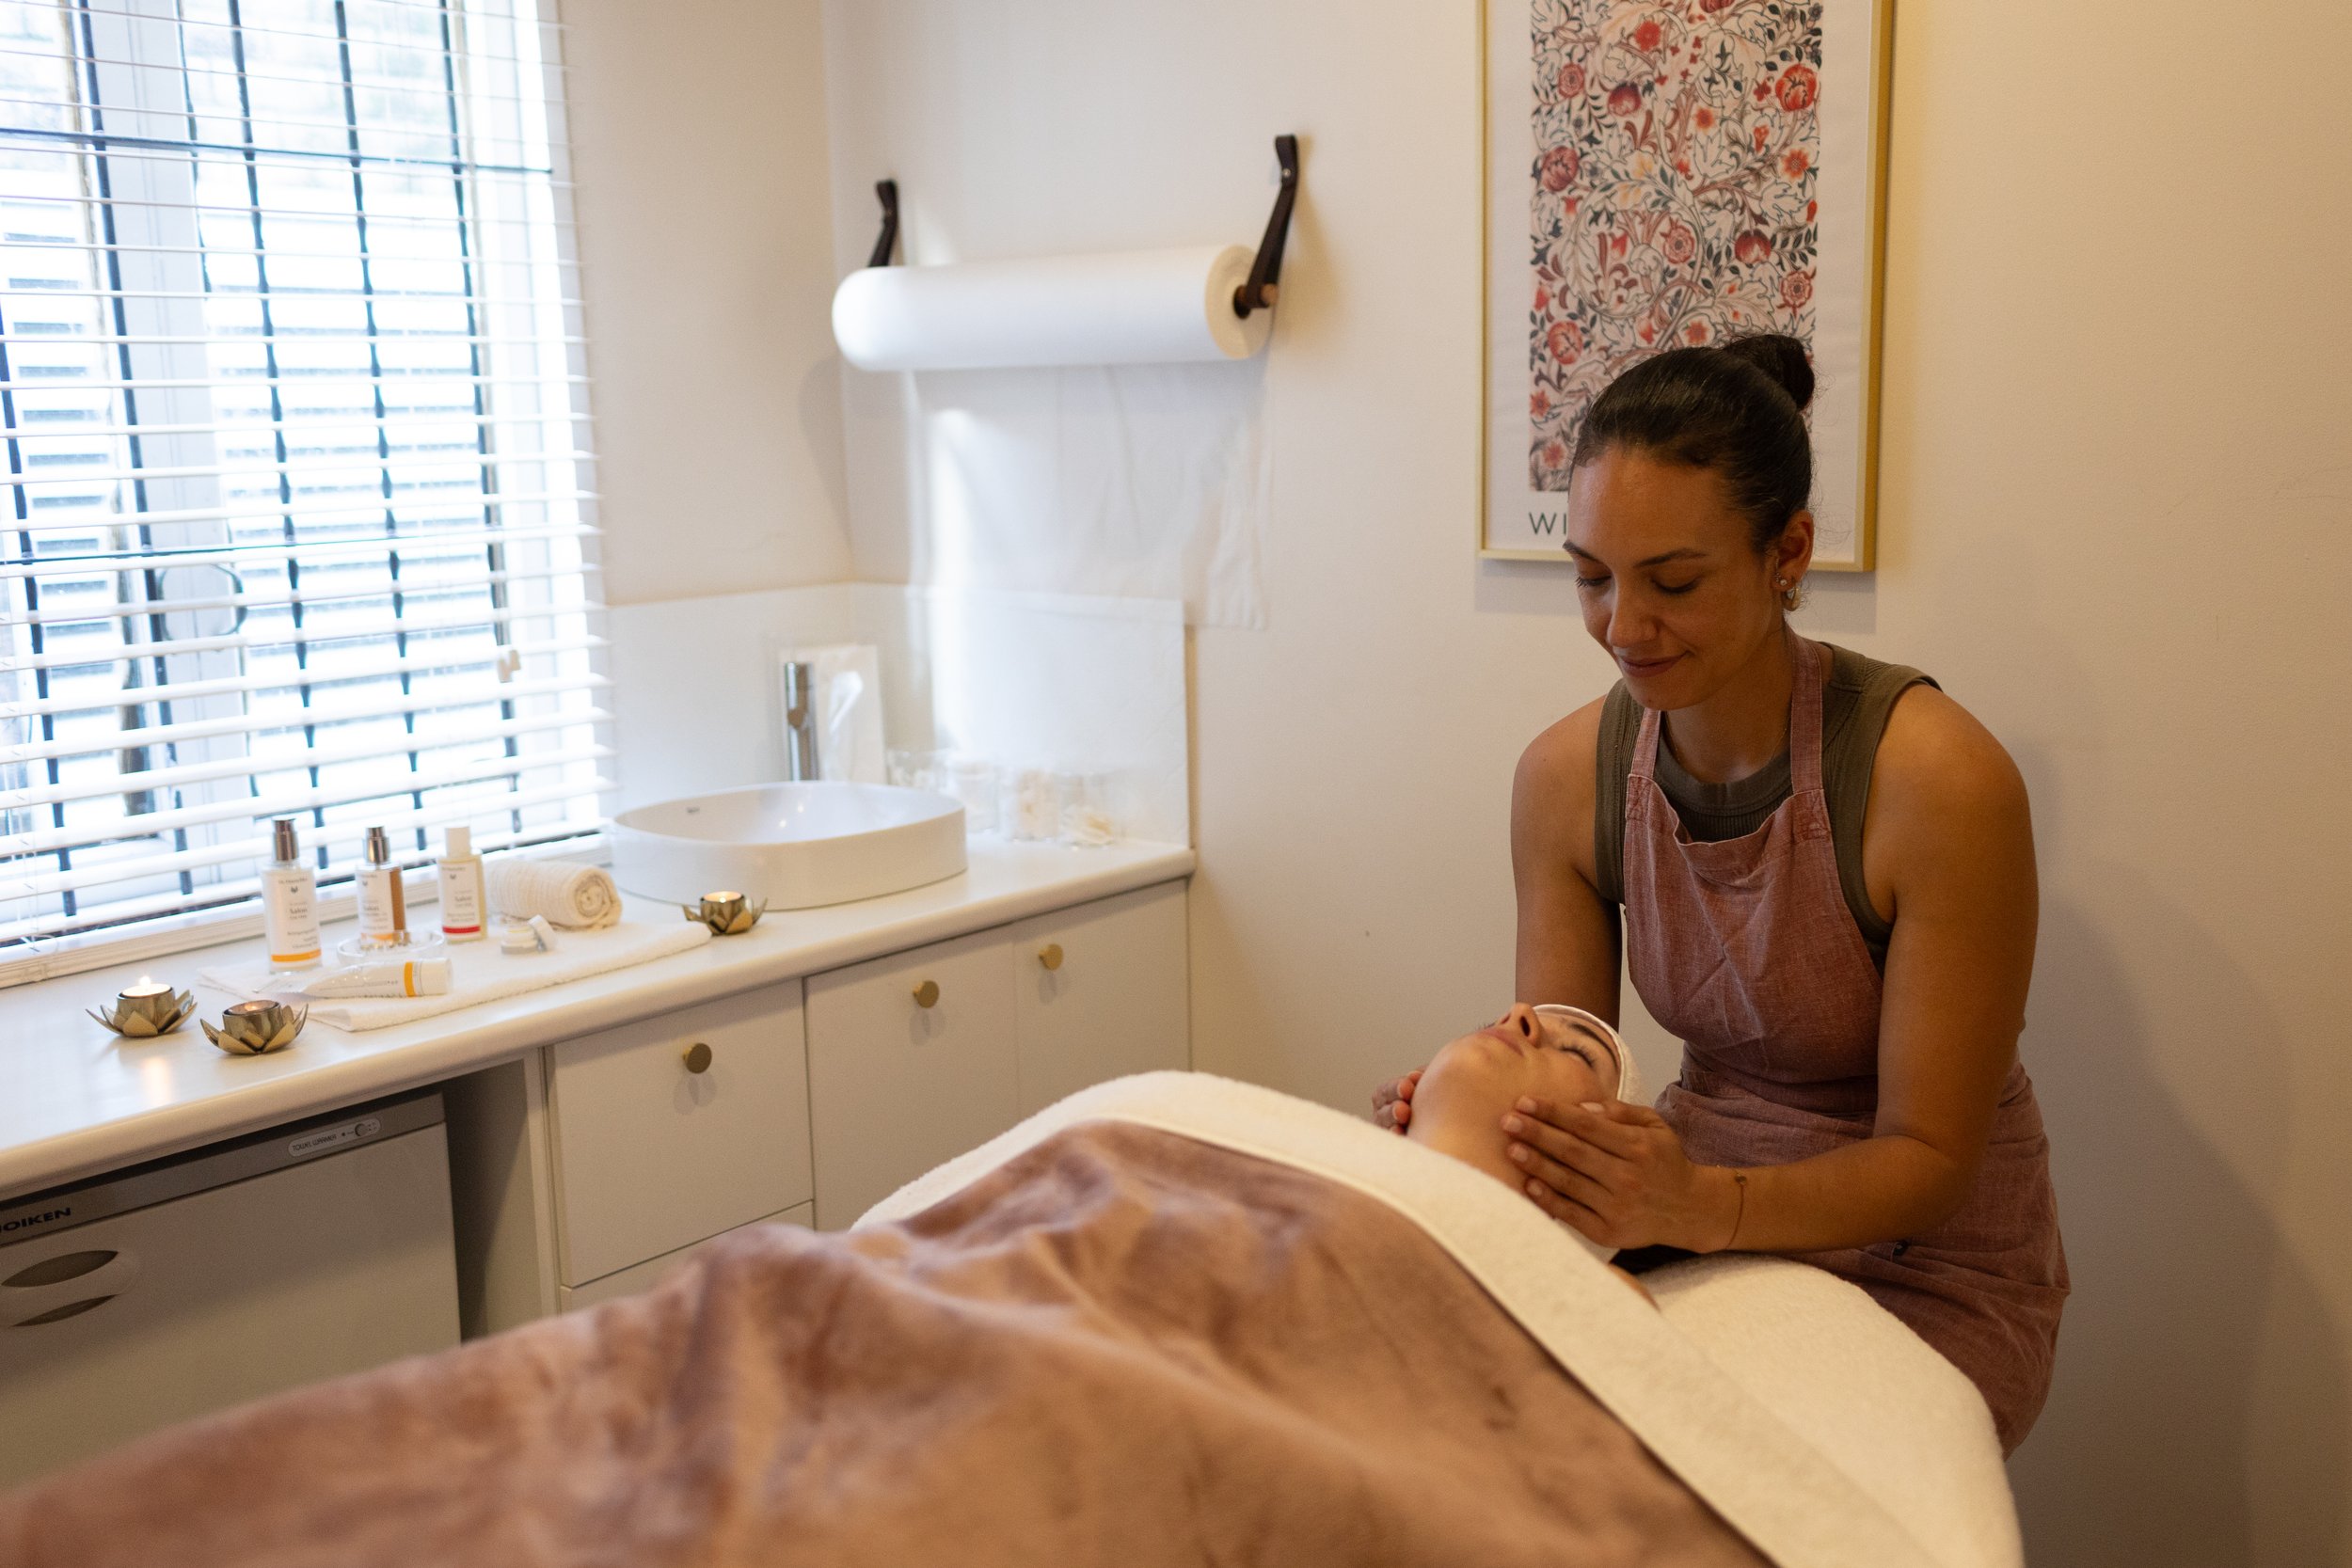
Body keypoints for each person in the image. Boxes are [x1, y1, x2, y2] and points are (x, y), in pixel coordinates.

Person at [1375, 337, 2067, 1452]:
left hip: (1926, 1255)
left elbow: (1930, 1160)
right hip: (1677, 1207)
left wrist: (1701, 1205)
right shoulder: (1564, 779)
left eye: (1675, 581)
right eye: (1592, 577)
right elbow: (1571, 1053)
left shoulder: (1936, 783)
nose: (1624, 627)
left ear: (1786, 550)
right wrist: (1477, 1117)